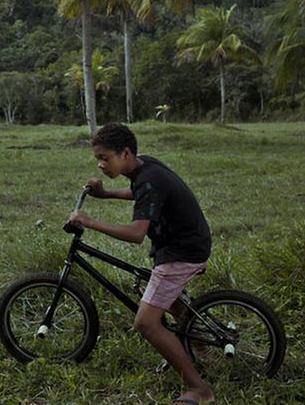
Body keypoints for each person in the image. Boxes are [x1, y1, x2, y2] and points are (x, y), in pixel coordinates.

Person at [69, 122, 214, 405]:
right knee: (167, 299)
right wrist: (105, 194)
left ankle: (200, 390)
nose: (100, 164)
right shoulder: (144, 167)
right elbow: (142, 195)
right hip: (181, 244)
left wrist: (90, 221)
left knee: (146, 323)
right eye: (97, 159)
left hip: (182, 251)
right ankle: (198, 348)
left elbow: (136, 234)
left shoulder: (149, 179)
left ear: (125, 153)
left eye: (104, 157)